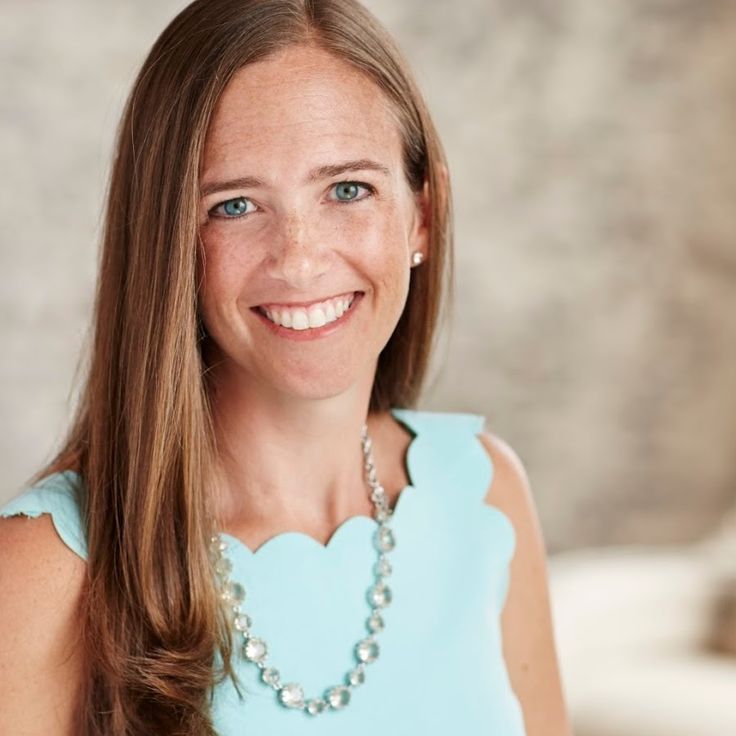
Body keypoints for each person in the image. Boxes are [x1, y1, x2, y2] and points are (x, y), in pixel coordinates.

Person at [0, 0, 572, 733]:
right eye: (235, 205)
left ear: (421, 218)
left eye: (347, 190)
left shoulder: (485, 493)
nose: (299, 259)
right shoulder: (46, 571)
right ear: (169, 244)